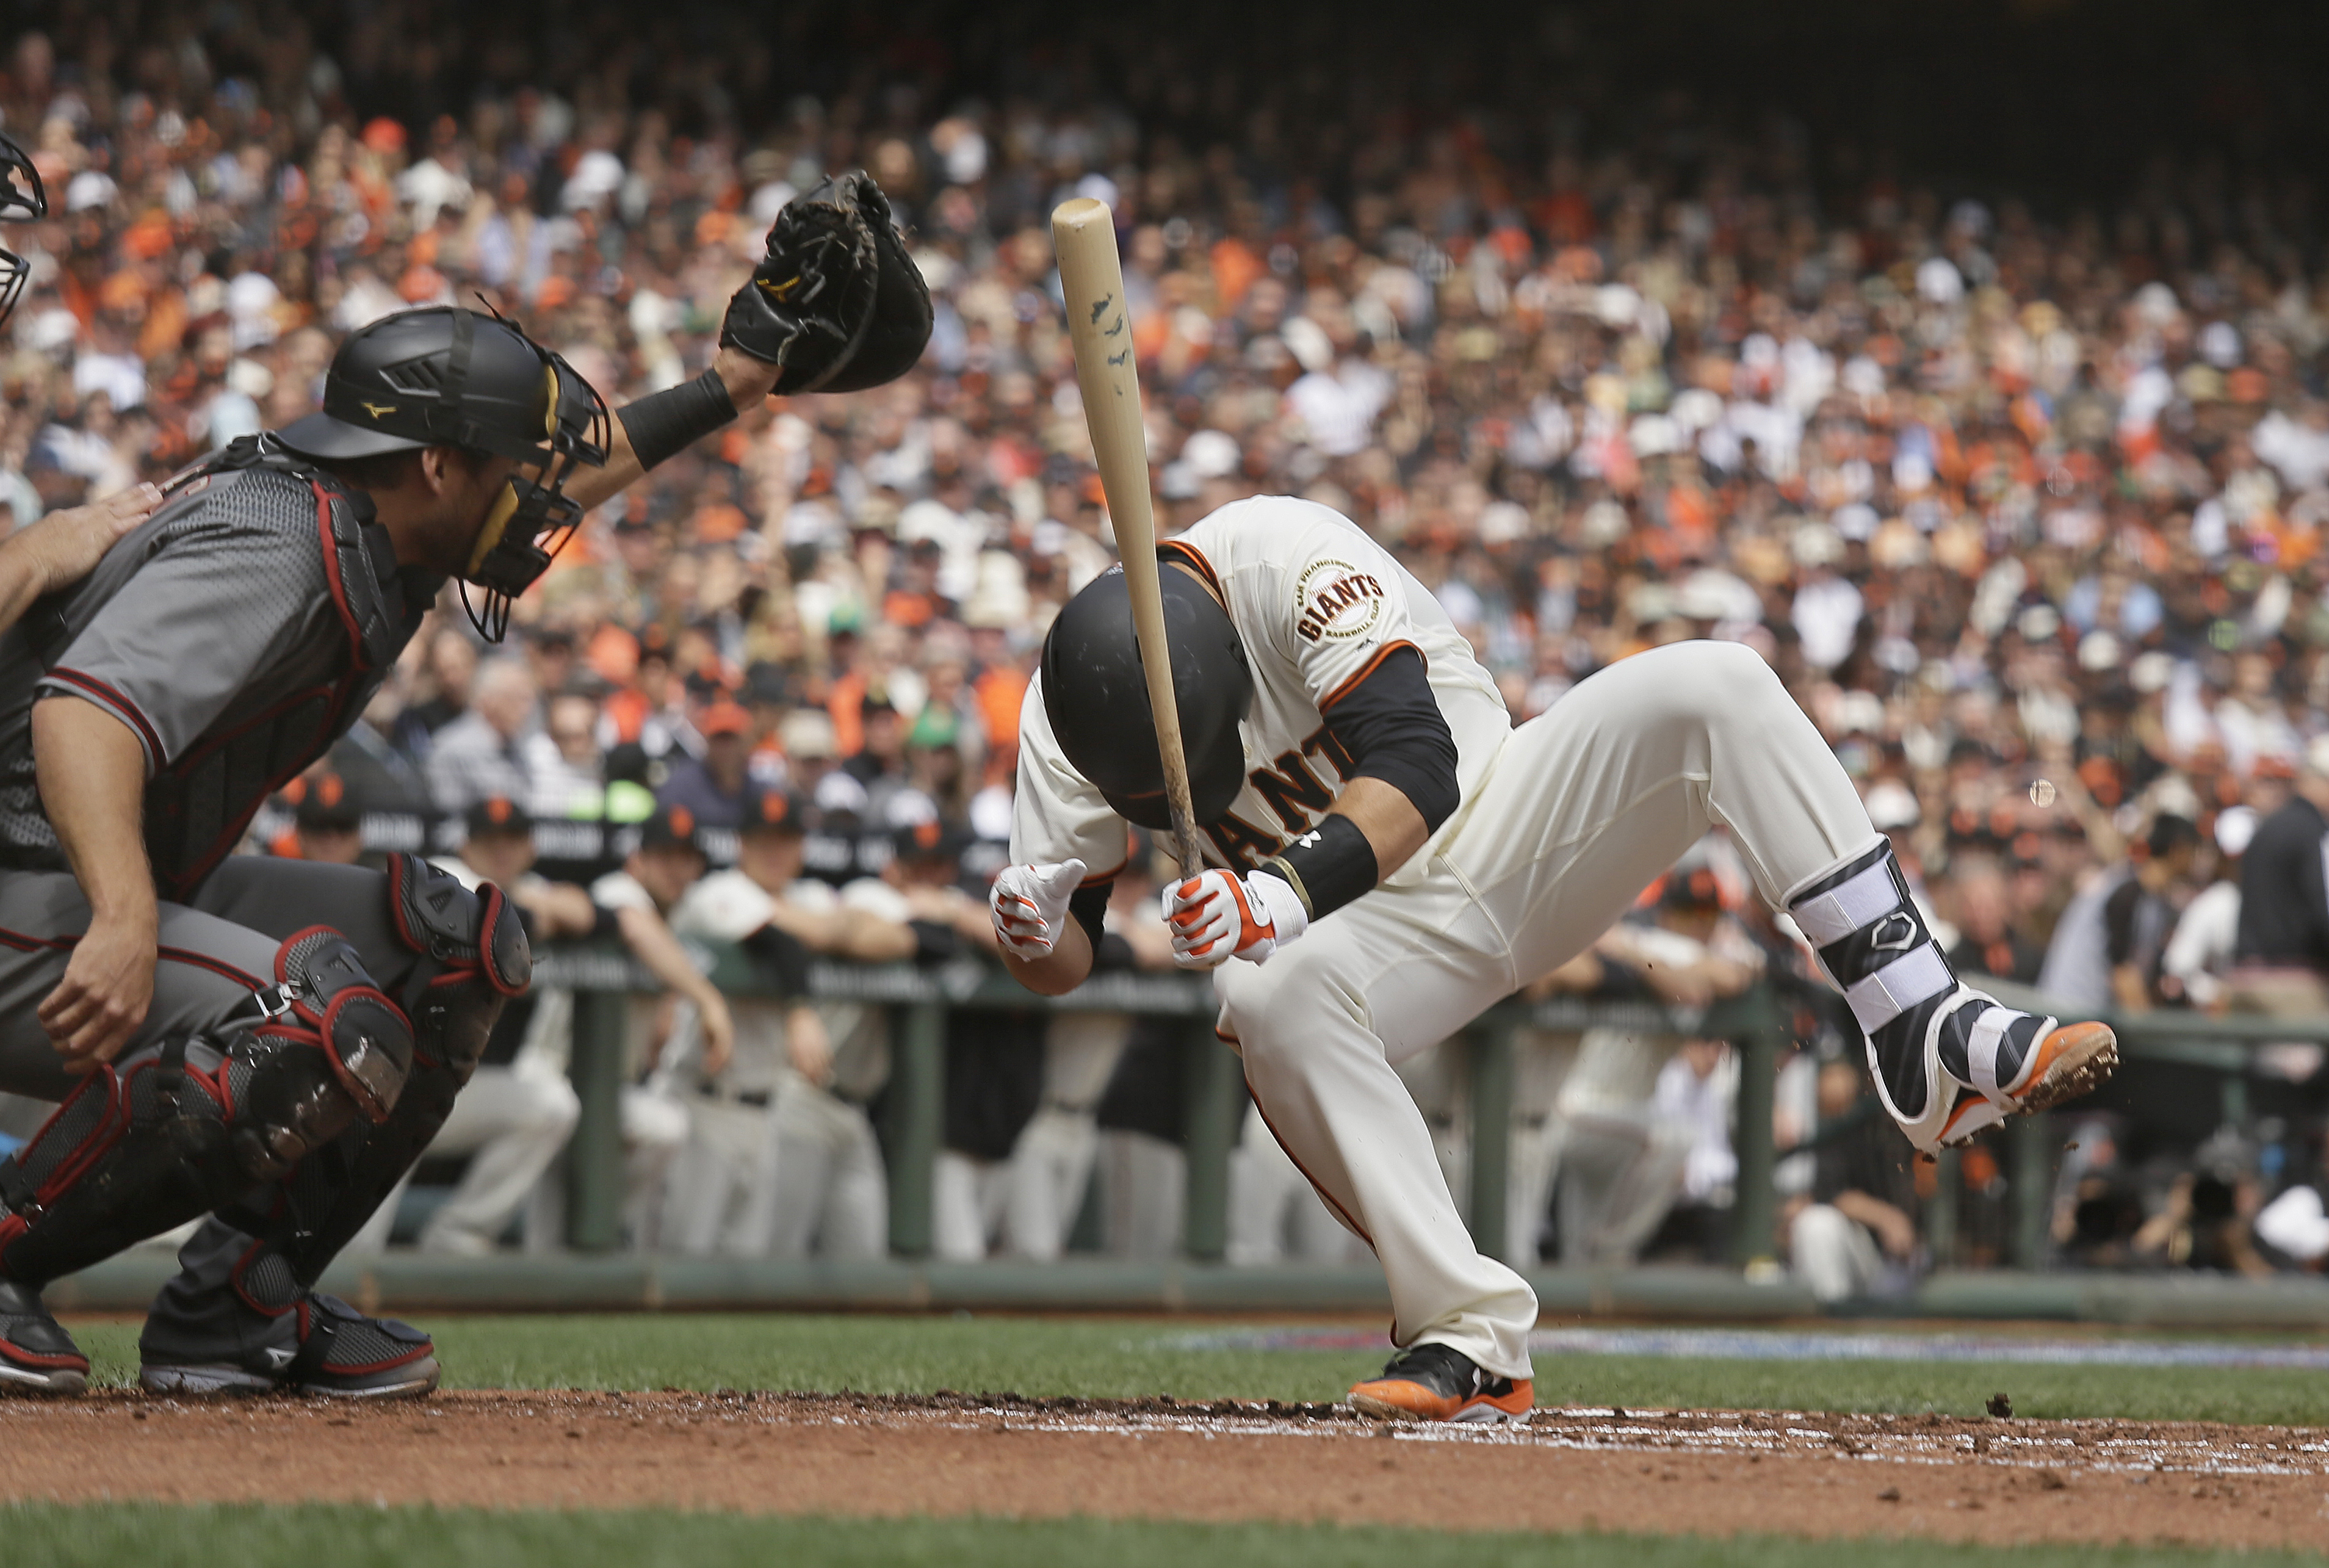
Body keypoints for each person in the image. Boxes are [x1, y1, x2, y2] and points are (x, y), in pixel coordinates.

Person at [0, 172, 929, 1396]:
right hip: (33, 887)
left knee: (451, 946)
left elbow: (573, 475)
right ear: (438, 465)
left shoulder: (378, 517)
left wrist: (727, 392)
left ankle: (237, 1306)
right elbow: (83, 717)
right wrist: (124, 914)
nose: (543, 491)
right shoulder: (282, 544)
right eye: (516, 464)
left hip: (75, 877)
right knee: (314, 1020)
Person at [991, 494, 2116, 1424]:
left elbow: (1421, 764)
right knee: (1270, 994)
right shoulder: (1062, 718)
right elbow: (1069, 958)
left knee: (1712, 682)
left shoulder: (1282, 558)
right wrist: (1038, 933)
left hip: (1514, 822)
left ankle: (1918, 1020)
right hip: (1375, 944)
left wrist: (1279, 890)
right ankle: (1464, 1335)